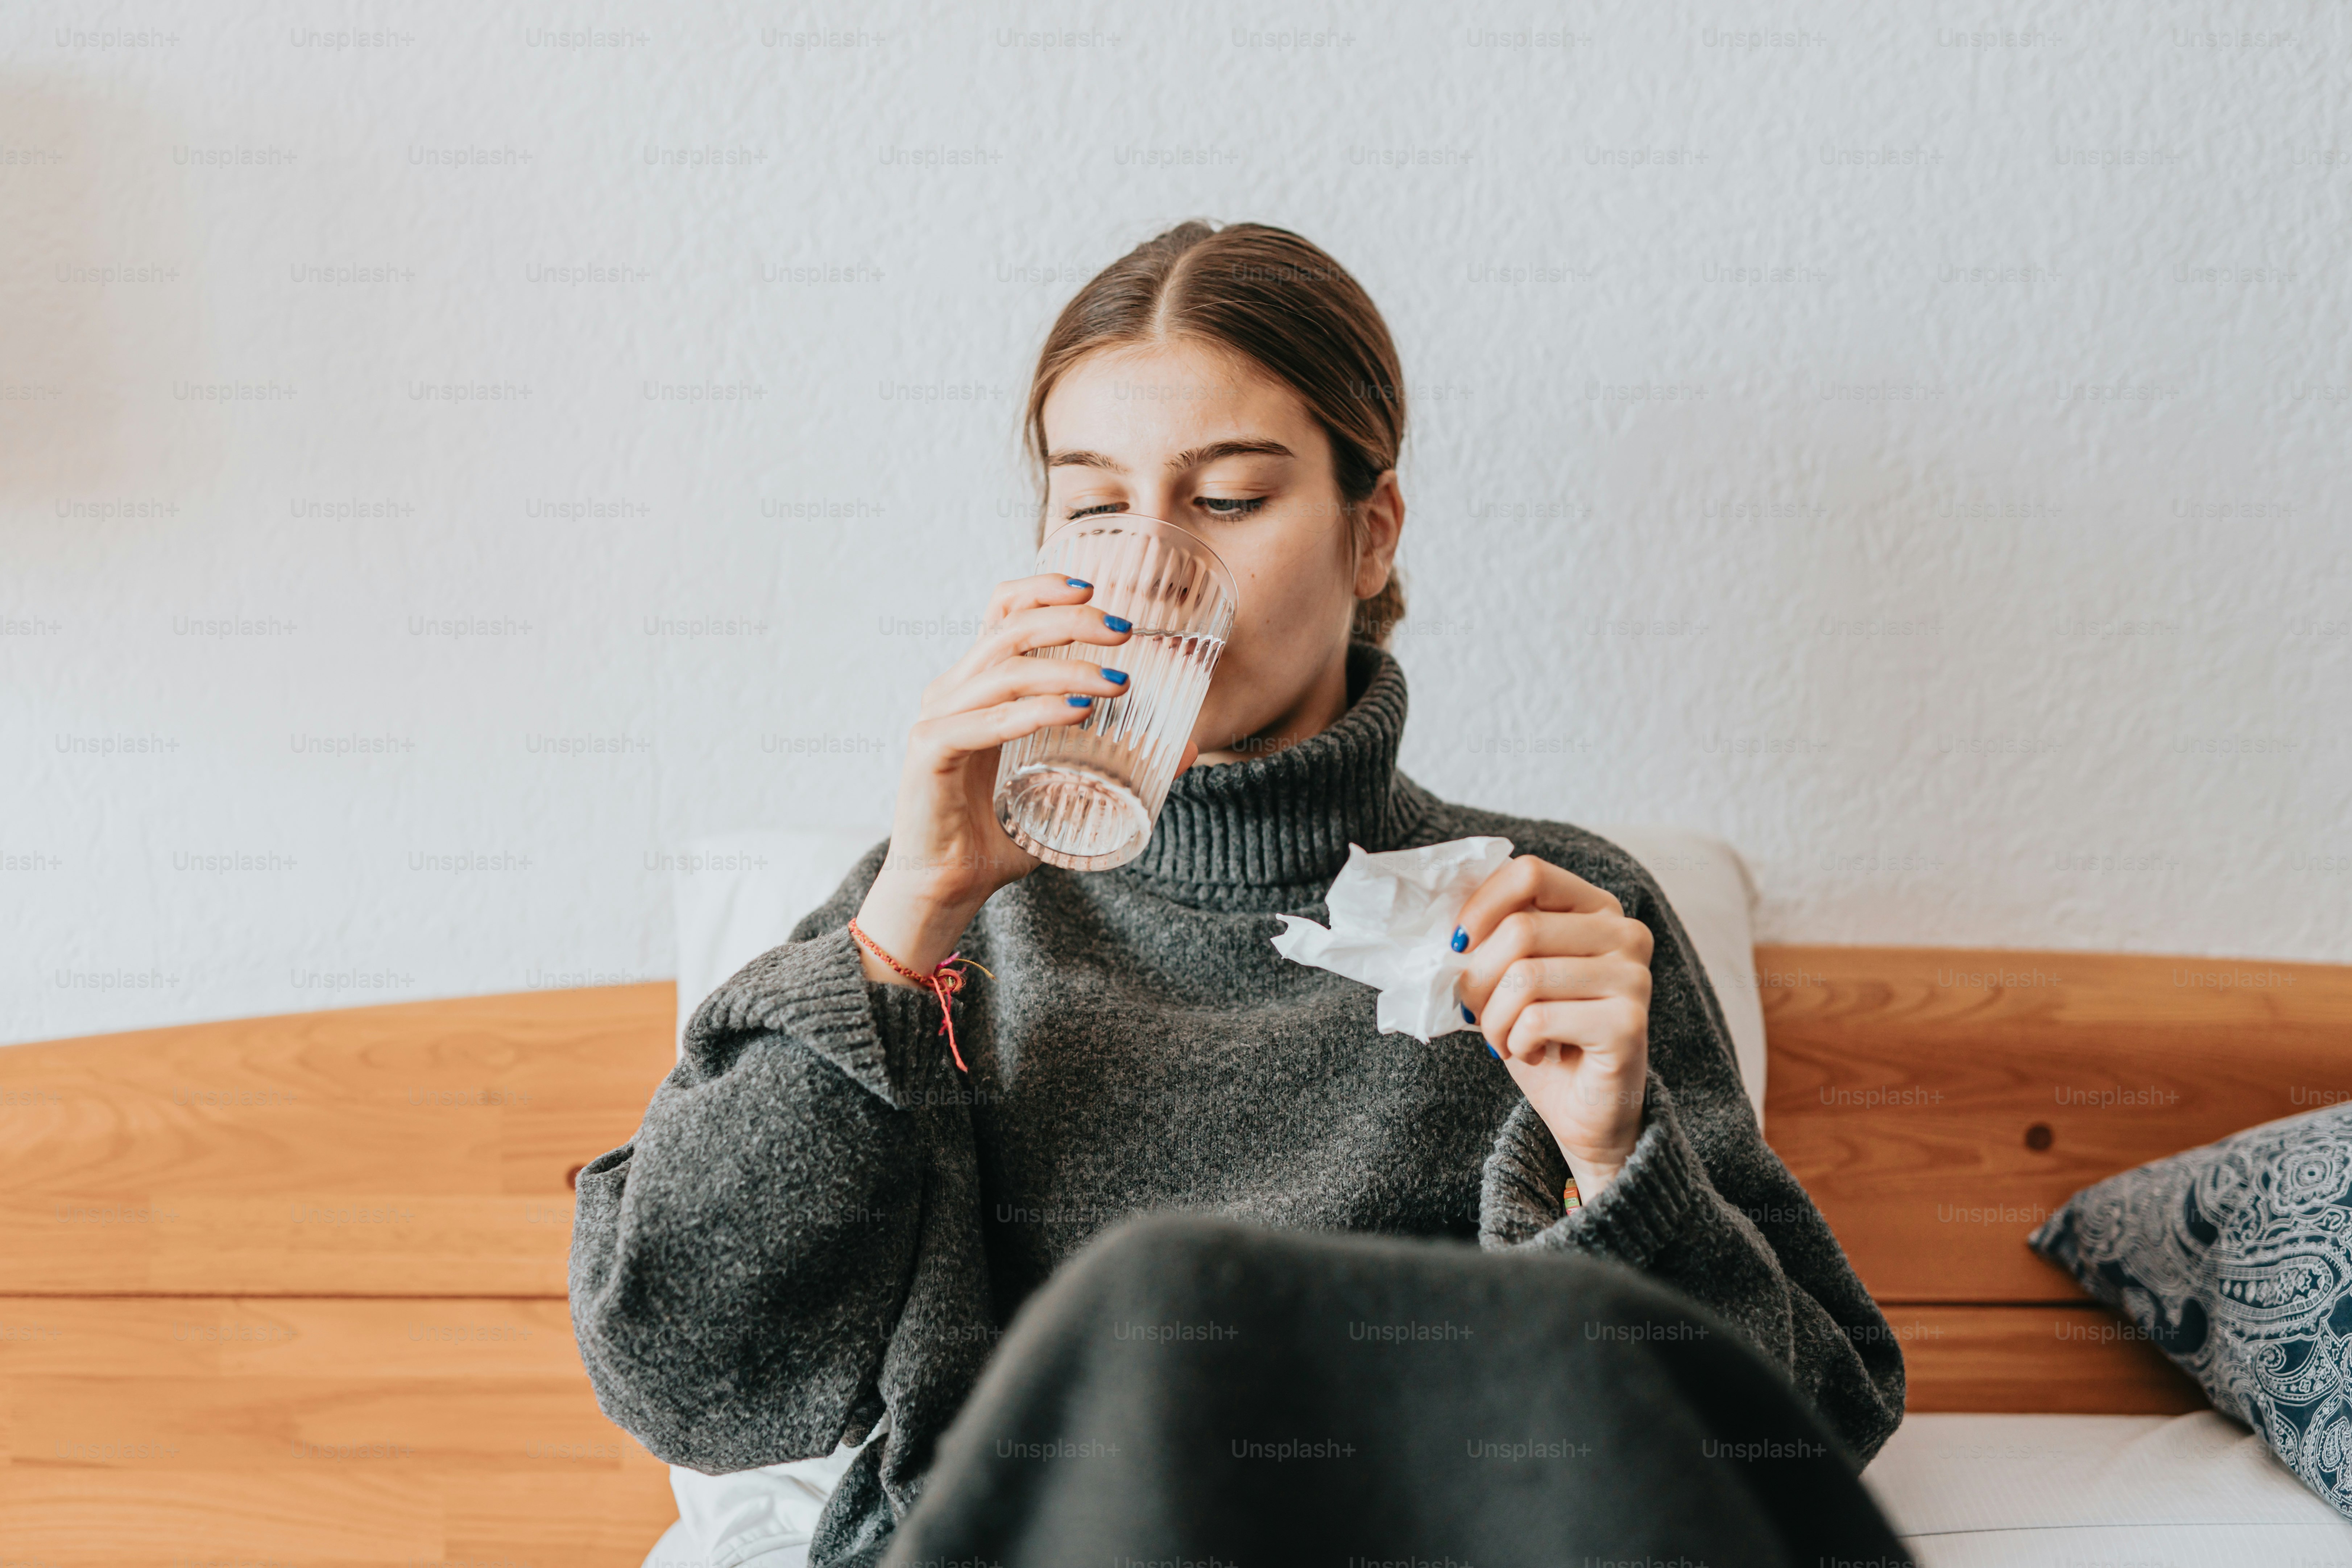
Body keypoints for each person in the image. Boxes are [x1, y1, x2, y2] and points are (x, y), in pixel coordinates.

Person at [570, 220, 1911, 1568]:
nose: (1153, 571)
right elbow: (686, 1376)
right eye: (1097, 507)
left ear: (1370, 534)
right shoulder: (938, 923)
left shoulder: (1551, 919)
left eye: (1224, 501)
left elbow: (1795, 1460)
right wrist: (898, 931)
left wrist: (1613, 1166)